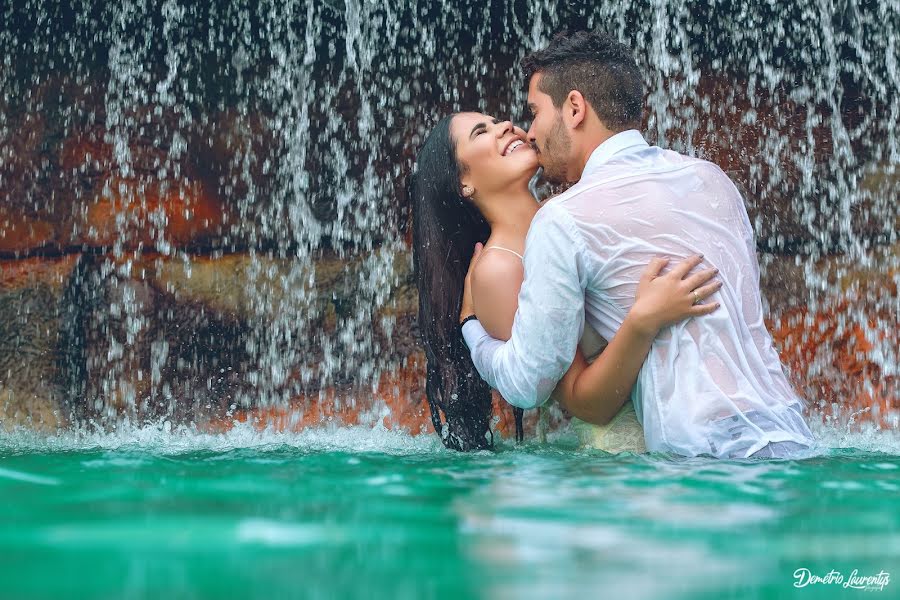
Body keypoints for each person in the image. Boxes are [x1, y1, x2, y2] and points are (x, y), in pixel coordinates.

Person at [458, 31, 815, 458]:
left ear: (574, 108)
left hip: (704, 457)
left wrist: (472, 330)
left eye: (534, 112)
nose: (528, 131)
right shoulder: (713, 180)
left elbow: (527, 382)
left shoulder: (564, 219)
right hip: (792, 434)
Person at [410, 114, 719, 452]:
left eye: (499, 120)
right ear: (463, 182)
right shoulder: (498, 269)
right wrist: (643, 321)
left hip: (691, 426)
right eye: (481, 132)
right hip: (623, 459)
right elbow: (581, 400)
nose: (506, 126)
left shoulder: (569, 215)